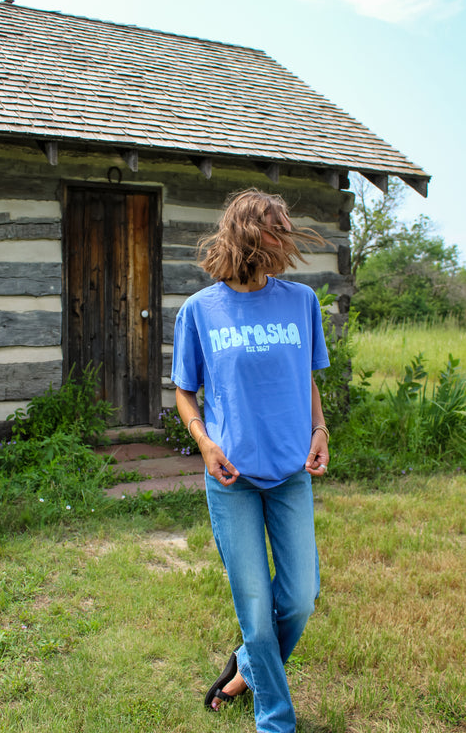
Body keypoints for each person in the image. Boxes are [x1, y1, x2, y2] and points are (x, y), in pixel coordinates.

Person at [171, 187, 330, 733]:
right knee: (257, 613)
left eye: (286, 223)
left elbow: (304, 376)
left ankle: (245, 666)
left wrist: (319, 429)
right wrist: (205, 442)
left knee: (301, 599)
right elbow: (184, 391)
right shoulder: (201, 311)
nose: (285, 233)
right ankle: (275, 720)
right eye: (274, 224)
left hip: (290, 476)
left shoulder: (300, 302)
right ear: (244, 232)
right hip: (231, 477)